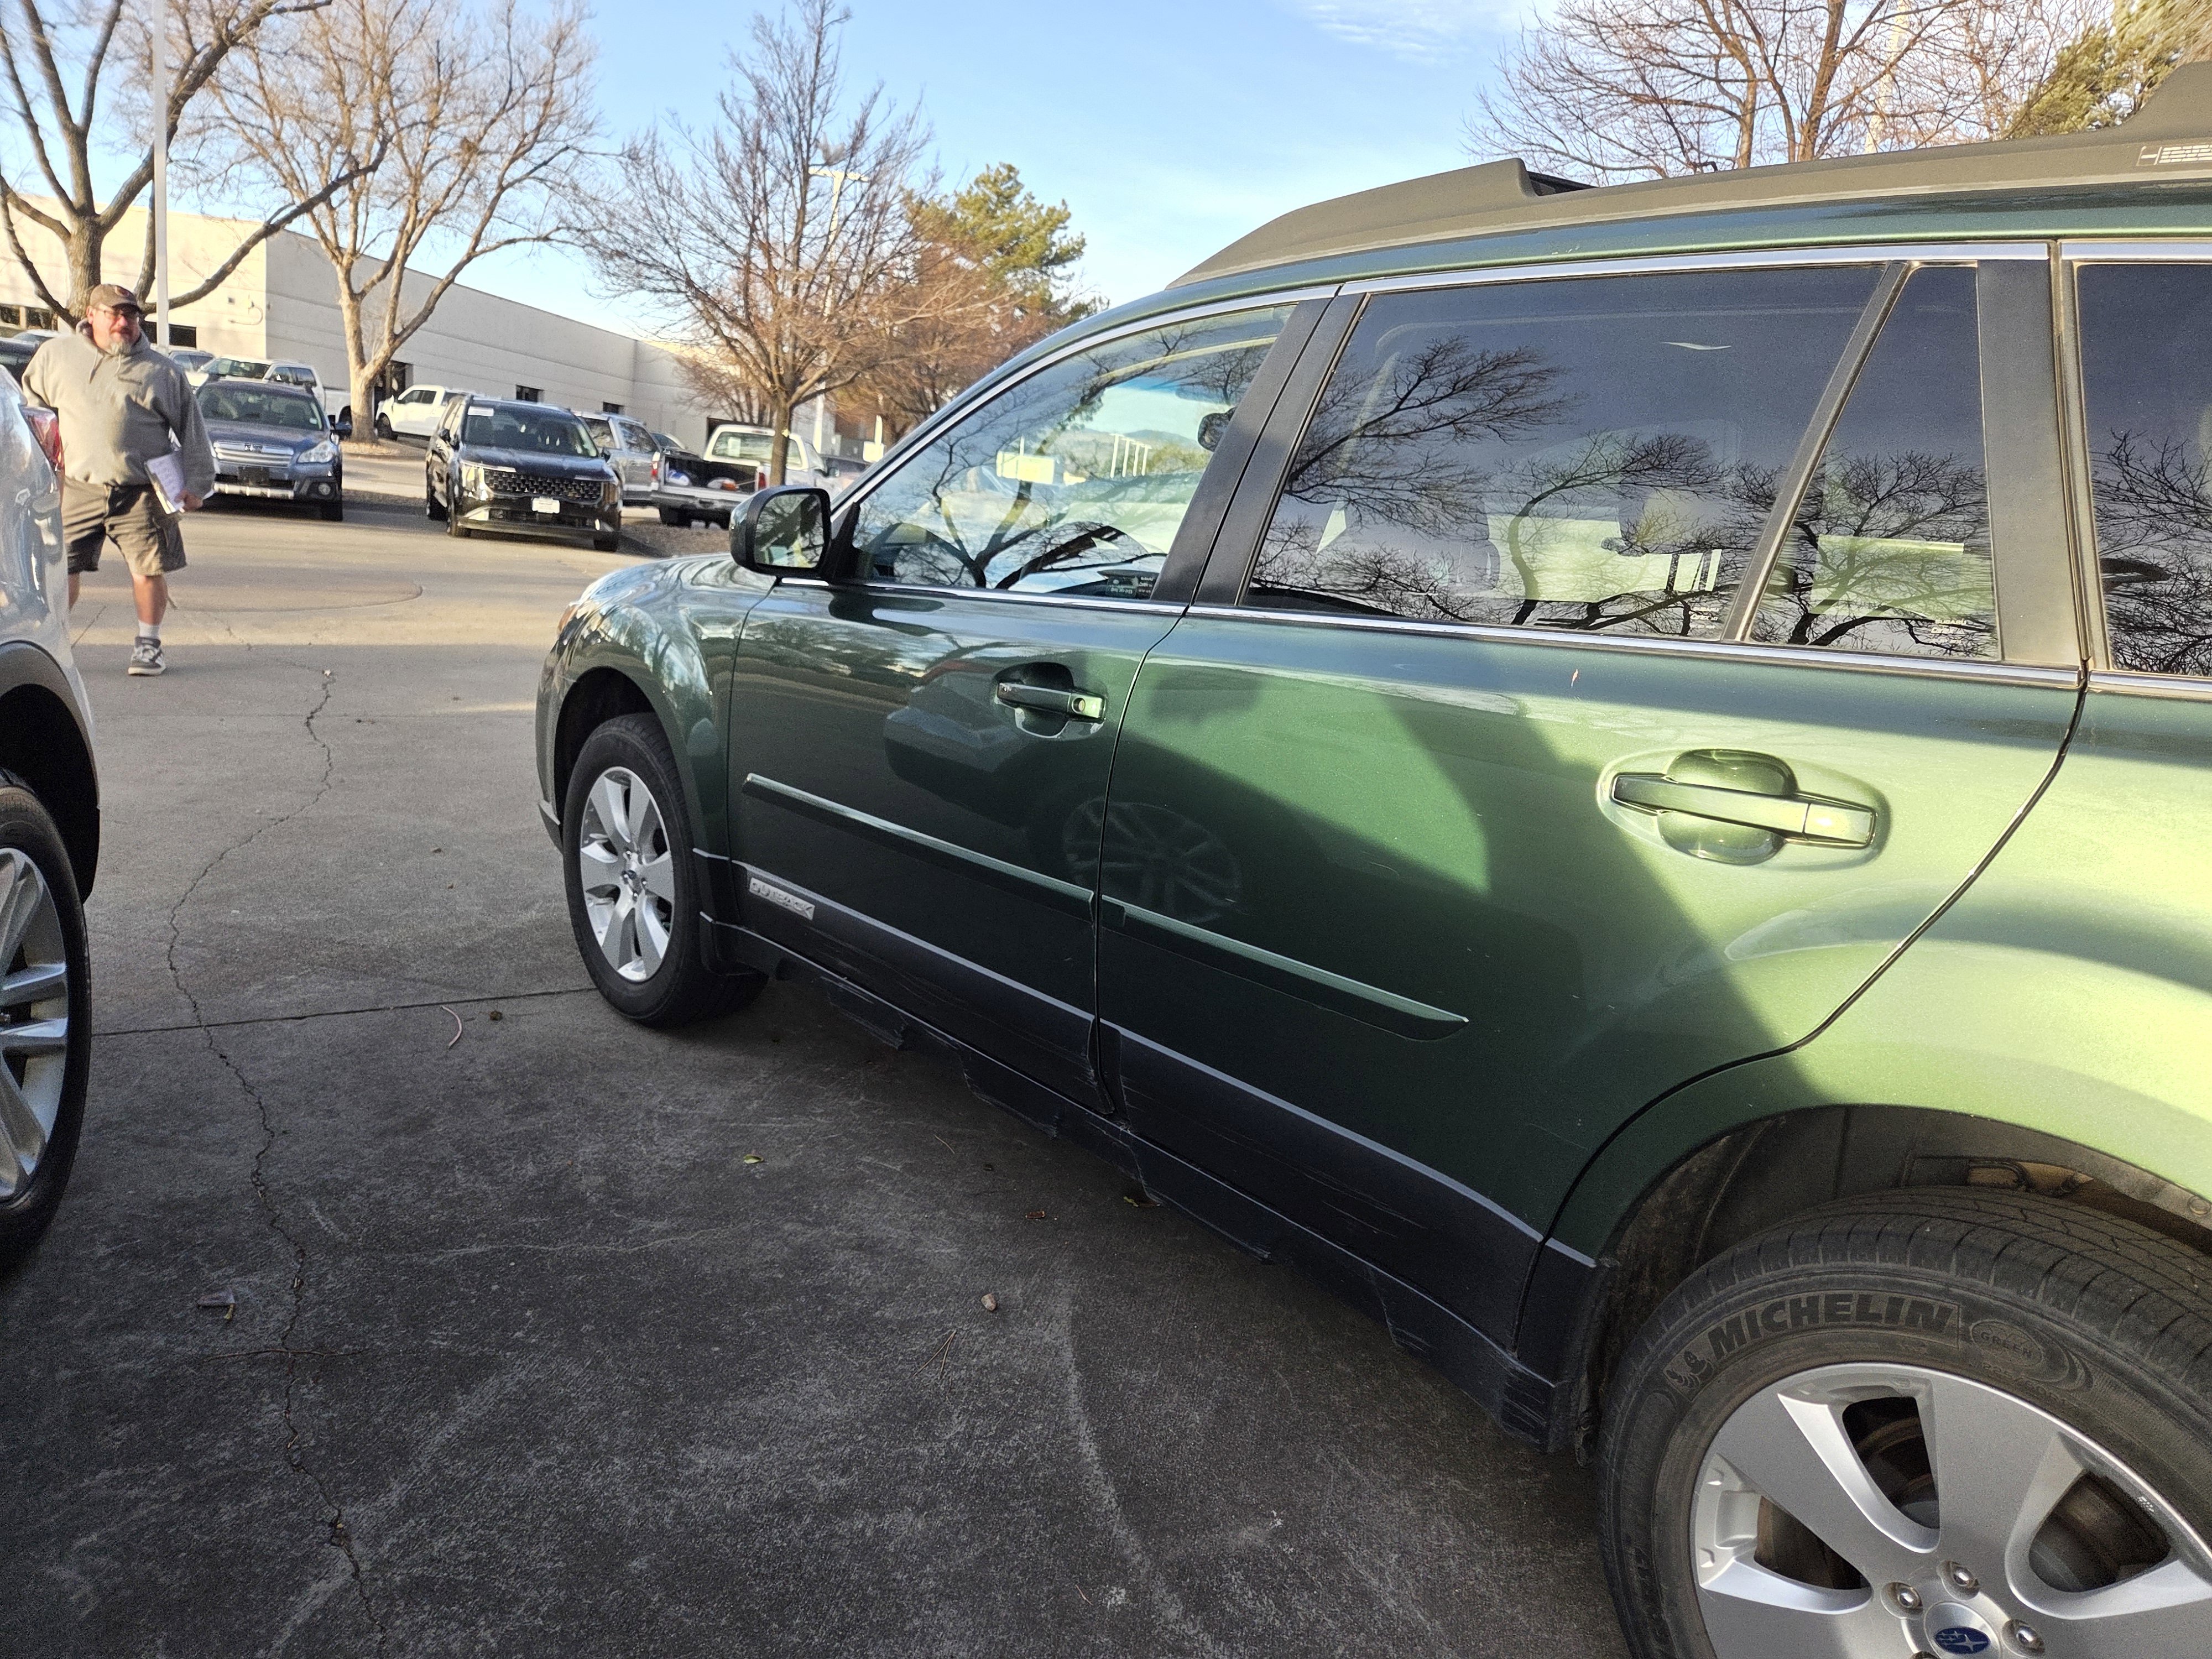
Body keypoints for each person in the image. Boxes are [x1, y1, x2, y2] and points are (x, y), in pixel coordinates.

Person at [21, 283, 215, 677]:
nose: (124, 323)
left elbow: (192, 429)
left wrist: (197, 482)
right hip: (75, 487)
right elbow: (33, 410)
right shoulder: (55, 357)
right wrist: (35, 465)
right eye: (115, 314)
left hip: (141, 491)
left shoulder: (162, 371)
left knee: (147, 570)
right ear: (91, 314)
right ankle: (53, 640)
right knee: (62, 570)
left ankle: (148, 645)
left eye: (131, 316)